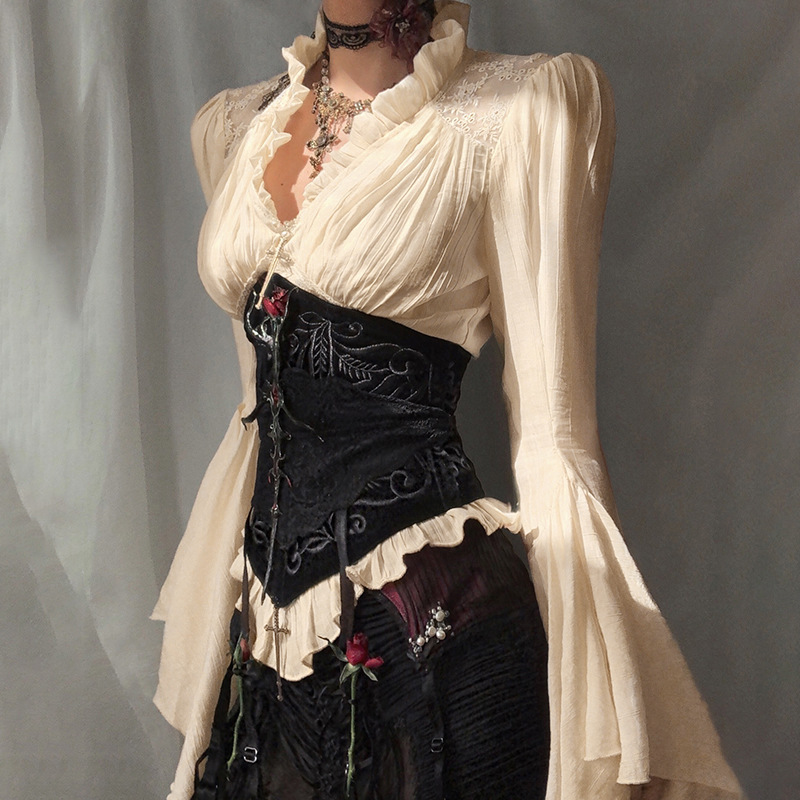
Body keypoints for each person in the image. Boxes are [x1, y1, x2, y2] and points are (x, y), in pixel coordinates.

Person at [151, 1, 744, 798]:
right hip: (267, 637)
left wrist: (596, 725)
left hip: (441, 631)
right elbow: (261, 412)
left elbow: (555, 434)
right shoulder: (232, 127)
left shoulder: (517, 110)